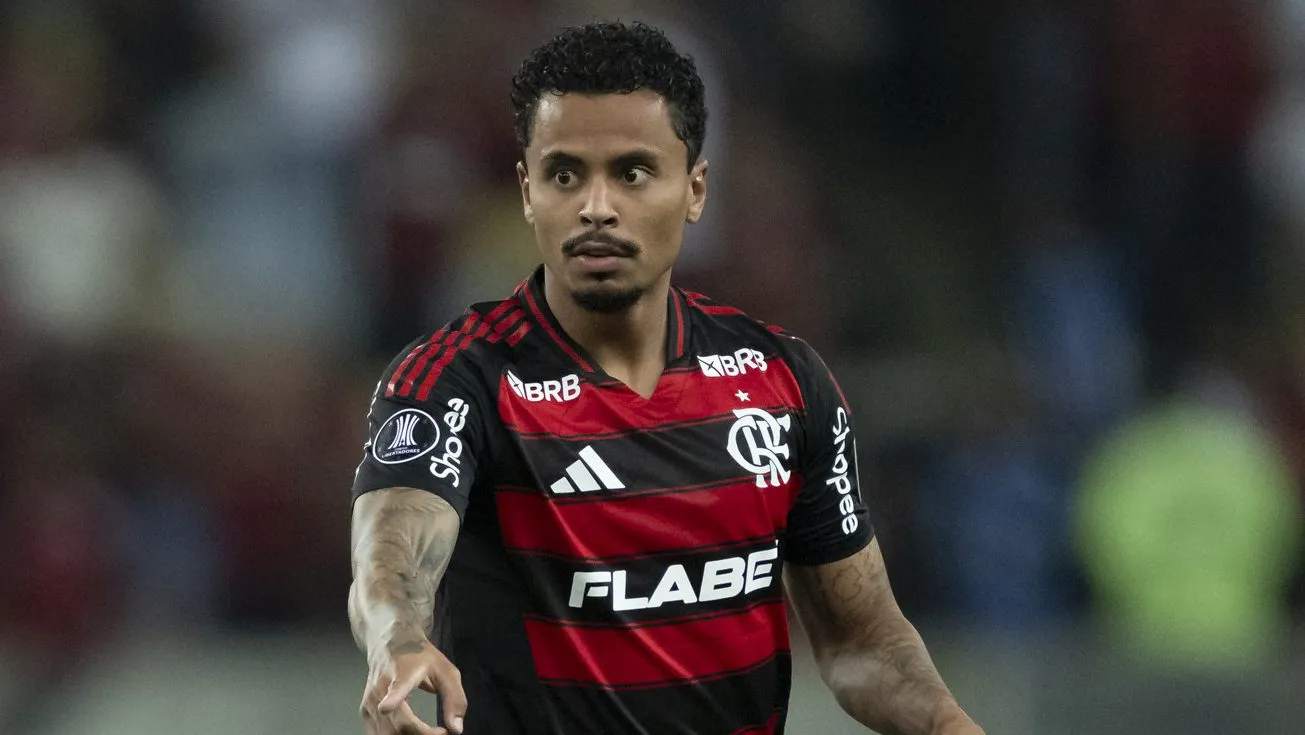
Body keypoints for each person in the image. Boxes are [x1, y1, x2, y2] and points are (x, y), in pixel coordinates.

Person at [349, 21, 984, 735]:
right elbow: (393, 552)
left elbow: (860, 645)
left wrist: (946, 724)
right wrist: (397, 636)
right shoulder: (459, 378)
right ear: (526, 190)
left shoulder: (783, 380)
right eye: (564, 173)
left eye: (632, 172)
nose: (596, 206)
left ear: (695, 188)